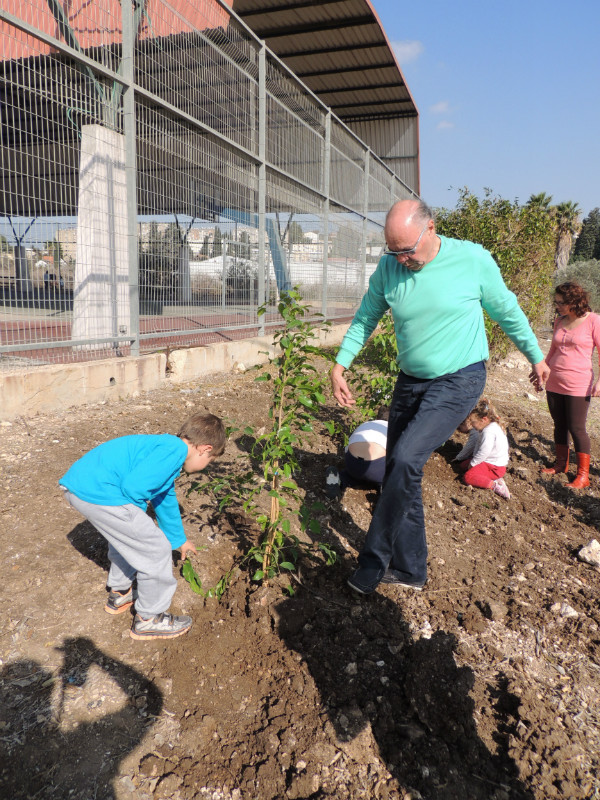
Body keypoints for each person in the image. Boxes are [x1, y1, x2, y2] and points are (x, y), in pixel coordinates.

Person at [331, 198, 549, 595]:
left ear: (430, 228)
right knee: (401, 470)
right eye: (392, 251)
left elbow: (506, 310)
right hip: (410, 381)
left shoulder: (471, 260)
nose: (400, 259)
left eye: (407, 250)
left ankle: (372, 561)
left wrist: (535, 355)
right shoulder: (388, 269)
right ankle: (411, 570)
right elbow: (366, 317)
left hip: (460, 378)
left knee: (405, 458)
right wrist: (340, 363)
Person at [59, 412, 226, 639]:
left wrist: (179, 540)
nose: (206, 465)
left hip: (83, 486)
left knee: (128, 539)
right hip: (99, 491)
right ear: (205, 449)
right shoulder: (174, 450)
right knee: (155, 548)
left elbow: (164, 497)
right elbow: (133, 487)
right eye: (210, 460)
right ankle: (150, 618)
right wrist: (139, 521)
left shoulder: (167, 450)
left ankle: (120, 594)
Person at [539, 281, 600, 489]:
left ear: (574, 302)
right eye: (556, 302)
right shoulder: (559, 320)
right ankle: (560, 465)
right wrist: (542, 369)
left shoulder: (593, 320)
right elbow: (553, 350)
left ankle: (583, 476)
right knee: (559, 424)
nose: (557, 306)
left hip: (578, 383)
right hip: (555, 380)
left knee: (577, 427)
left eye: (560, 302)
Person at [325, 406, 389, 499]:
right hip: (377, 468)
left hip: (352, 463)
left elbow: (346, 449)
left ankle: (341, 479)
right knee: (392, 475)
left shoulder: (366, 424)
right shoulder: (391, 430)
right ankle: (386, 489)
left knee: (354, 474)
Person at [454, 398, 511, 499]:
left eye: (473, 422)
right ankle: (491, 478)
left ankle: (495, 485)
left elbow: (484, 452)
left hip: (494, 467)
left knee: (468, 477)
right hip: (489, 462)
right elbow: (478, 446)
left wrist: (473, 464)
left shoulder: (488, 432)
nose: (471, 425)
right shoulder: (485, 427)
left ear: (483, 419)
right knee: (463, 466)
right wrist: (472, 461)